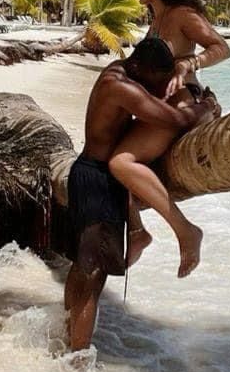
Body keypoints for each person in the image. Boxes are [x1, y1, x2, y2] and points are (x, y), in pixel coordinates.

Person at [64, 38, 219, 351]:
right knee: (92, 278)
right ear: (138, 68)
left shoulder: (124, 73)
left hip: (92, 176)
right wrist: (207, 105)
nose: (159, 89)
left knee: (82, 270)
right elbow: (174, 119)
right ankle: (77, 360)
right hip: (96, 180)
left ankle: (66, 344)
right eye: (155, 81)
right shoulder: (121, 87)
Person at [109, 0, 230, 271]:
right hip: (159, 107)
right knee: (108, 155)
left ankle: (186, 232)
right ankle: (136, 232)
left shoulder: (181, 15)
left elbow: (221, 48)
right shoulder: (155, 21)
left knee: (121, 162)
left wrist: (189, 63)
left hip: (183, 103)